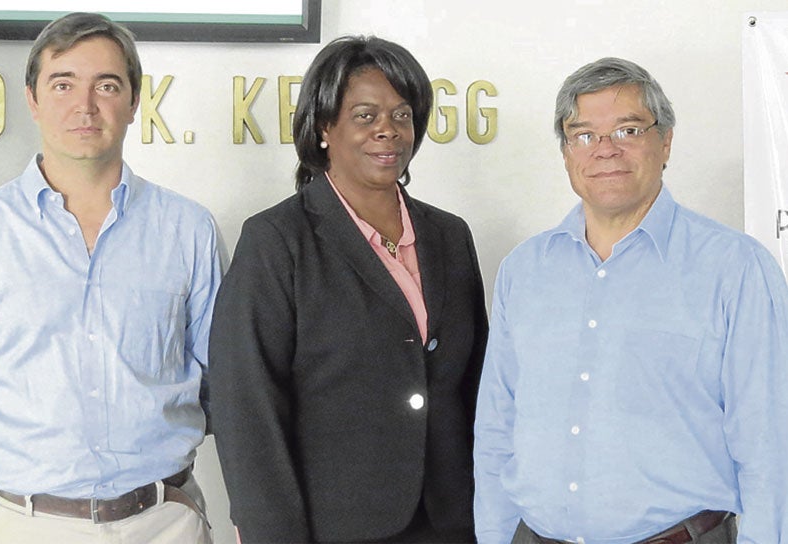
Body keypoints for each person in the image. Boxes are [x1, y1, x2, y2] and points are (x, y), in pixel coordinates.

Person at [474, 56, 788, 544]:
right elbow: (498, 425)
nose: (605, 150)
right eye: (584, 135)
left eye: (628, 131)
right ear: (566, 153)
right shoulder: (525, 270)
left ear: (666, 142)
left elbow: (769, 442)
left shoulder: (736, 268)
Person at [0, 12, 221, 544]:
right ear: (32, 99)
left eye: (107, 86)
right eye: (63, 84)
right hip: (24, 526)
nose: (85, 105)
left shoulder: (188, 229)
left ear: (134, 102)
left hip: (165, 523)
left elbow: (216, 379)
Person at [209, 35, 488, 543]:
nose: (388, 130)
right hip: (332, 527)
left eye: (401, 115)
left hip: (451, 520)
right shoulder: (277, 240)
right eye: (365, 115)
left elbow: (475, 385)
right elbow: (247, 408)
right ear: (323, 128)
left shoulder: (450, 236)